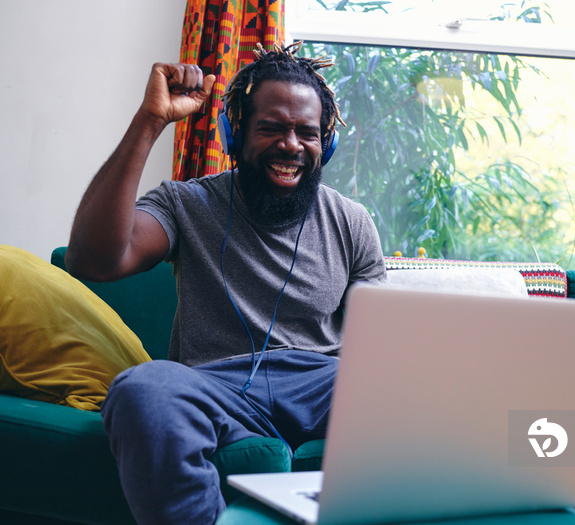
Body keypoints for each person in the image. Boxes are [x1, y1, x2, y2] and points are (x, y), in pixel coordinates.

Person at [65, 42, 386, 524]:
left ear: (328, 145)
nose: (292, 145)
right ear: (233, 136)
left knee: (446, 392)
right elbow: (93, 260)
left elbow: (383, 347)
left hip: (323, 387)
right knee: (143, 389)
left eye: (308, 133)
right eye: (272, 129)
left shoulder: (352, 222)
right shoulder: (185, 203)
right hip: (217, 385)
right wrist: (150, 122)